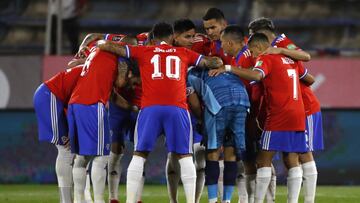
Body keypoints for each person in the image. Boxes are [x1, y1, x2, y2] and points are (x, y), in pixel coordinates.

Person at [96, 22, 223, 203]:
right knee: (185, 157)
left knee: (139, 155)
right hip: (177, 108)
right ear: (172, 37)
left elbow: (112, 47)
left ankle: (130, 201)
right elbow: (212, 62)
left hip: (150, 109)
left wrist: (100, 44)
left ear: (153, 38)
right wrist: (217, 63)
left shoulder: (143, 51)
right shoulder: (184, 53)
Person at [210, 33, 313, 203]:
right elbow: (309, 77)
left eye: (252, 51)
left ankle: (257, 201)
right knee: (292, 158)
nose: (253, 55)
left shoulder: (265, 58)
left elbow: (257, 75)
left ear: (258, 47)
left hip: (279, 114)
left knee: (263, 159)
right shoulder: (289, 58)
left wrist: (228, 68)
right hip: (298, 113)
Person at [248, 17, 323, 203]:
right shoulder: (272, 56)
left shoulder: (282, 43)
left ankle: (309, 200)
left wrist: (280, 50)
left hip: (304, 105)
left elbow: (306, 56)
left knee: (303, 153)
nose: (252, 39)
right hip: (292, 105)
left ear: (265, 33)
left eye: (253, 35)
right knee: (292, 157)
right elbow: (309, 77)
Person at [68, 36, 129, 203]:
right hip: (92, 104)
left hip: (75, 103)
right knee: (101, 156)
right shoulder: (119, 55)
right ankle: (100, 200)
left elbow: (93, 35)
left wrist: (82, 45)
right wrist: (124, 67)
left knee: (81, 158)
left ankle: (78, 200)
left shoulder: (96, 50)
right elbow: (121, 83)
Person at [33, 55, 85, 203]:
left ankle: (74, 198)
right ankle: (66, 200)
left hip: (53, 97)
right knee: (66, 149)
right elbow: (76, 103)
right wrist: (72, 130)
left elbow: (72, 64)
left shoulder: (90, 69)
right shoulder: (93, 74)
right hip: (50, 96)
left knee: (72, 150)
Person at [165, 18, 206, 203]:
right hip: (177, 111)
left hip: (195, 113)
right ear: (175, 37)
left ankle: (195, 200)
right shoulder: (168, 54)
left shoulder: (201, 47)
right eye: (187, 36)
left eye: (193, 36)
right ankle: (174, 200)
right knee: (174, 156)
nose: (191, 40)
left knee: (200, 159)